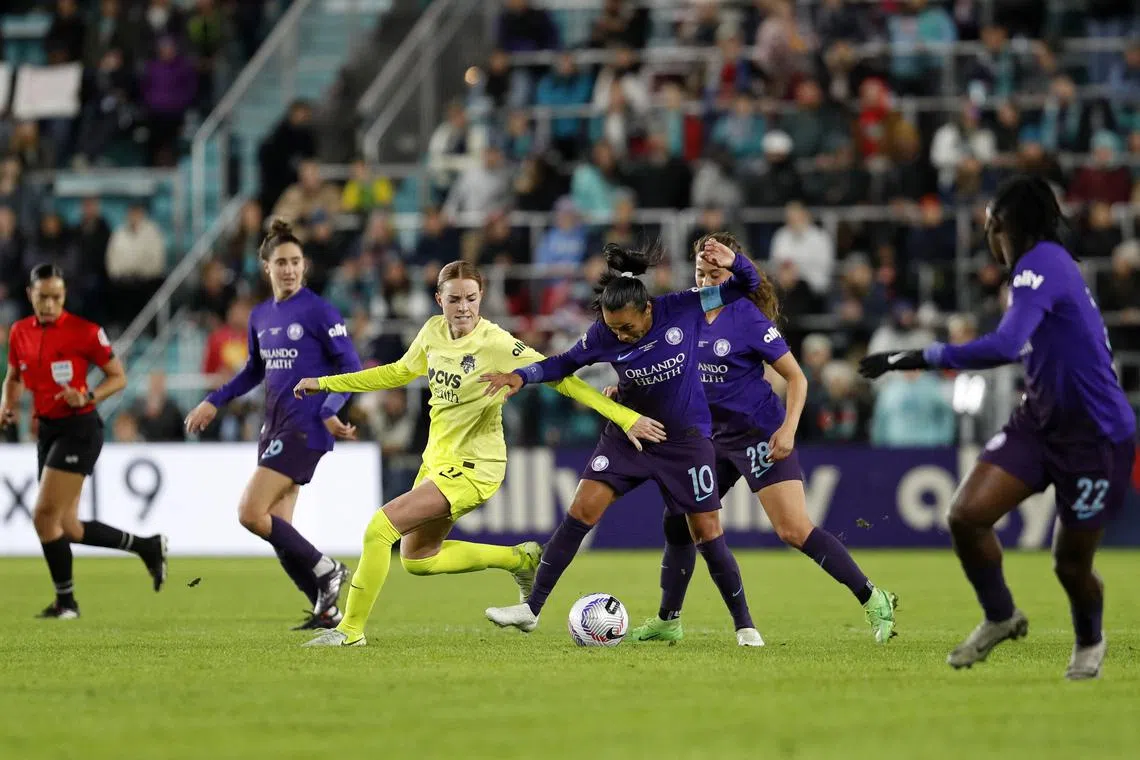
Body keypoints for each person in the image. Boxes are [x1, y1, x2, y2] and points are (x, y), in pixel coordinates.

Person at [297, 261, 663, 647]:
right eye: (454, 299)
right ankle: (519, 560)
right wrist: (326, 383)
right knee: (418, 559)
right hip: (437, 462)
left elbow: (565, 381)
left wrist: (625, 417)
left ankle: (349, 631)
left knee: (379, 529)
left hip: (475, 467)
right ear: (440, 299)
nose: (463, 307)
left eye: (471, 298)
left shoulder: (496, 343)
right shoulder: (432, 333)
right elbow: (396, 373)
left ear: (481, 298)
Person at [860, 175, 1137, 680]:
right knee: (965, 516)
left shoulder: (1041, 265)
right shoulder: (1045, 269)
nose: (988, 238)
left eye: (990, 226)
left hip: (1095, 435)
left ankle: (1090, 641)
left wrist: (914, 356)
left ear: (1005, 226)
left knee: (1070, 565)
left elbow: (1006, 347)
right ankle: (1000, 615)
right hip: (1040, 421)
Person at [481, 239, 766, 646]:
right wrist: (520, 377)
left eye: (628, 328)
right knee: (580, 509)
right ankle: (531, 609)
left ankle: (745, 626)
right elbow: (563, 363)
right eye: (614, 329)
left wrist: (735, 260)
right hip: (630, 437)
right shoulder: (604, 333)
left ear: (648, 308)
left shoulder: (683, 306)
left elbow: (747, 286)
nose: (622, 337)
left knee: (707, 533)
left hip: (685, 442)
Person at [624, 233, 898, 645]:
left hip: (759, 434)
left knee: (793, 530)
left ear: (731, 272)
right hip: (709, 438)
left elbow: (797, 378)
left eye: (715, 273)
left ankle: (873, 597)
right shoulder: (686, 312)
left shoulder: (746, 317)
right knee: (679, 520)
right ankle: (668, 619)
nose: (705, 281)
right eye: (700, 272)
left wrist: (787, 429)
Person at [184, 220, 362, 631]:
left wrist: (330, 407)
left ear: (304, 266)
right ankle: (328, 610)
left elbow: (350, 365)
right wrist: (215, 401)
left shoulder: (318, 310)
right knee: (278, 530)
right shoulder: (260, 315)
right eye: (281, 262)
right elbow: (252, 372)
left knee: (249, 512)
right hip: (274, 427)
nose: (289, 269)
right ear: (266, 267)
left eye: (296, 262)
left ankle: (327, 567)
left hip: (306, 424)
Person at [2, 264, 167, 619]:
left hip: (80, 428)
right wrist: (7, 403)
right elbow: (14, 376)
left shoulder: (85, 332)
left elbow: (118, 377)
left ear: (64, 296)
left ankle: (67, 603)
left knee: (44, 517)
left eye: (56, 297)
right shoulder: (19, 332)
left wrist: (88, 395)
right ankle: (147, 547)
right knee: (69, 527)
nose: (49, 304)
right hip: (47, 429)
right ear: (31, 294)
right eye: (42, 297)